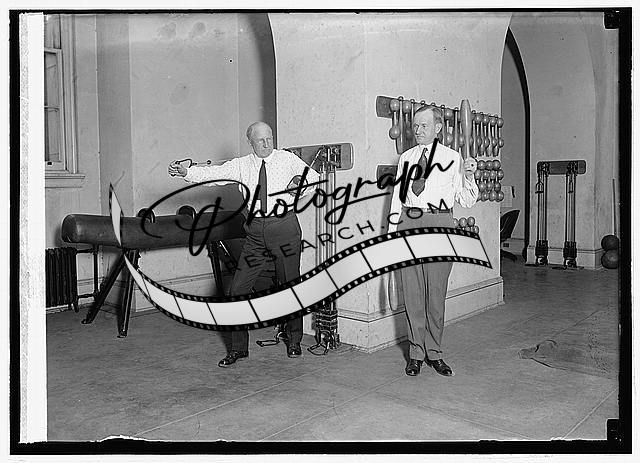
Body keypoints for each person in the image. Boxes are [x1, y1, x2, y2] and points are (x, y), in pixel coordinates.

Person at [168, 121, 319, 367]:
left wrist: (296, 191)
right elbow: (213, 175)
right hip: (255, 232)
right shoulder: (241, 165)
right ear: (250, 142)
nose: (267, 144)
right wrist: (187, 172)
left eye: (269, 138)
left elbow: (313, 178)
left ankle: (294, 341)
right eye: (260, 140)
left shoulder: (287, 159)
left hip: (284, 228)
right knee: (236, 291)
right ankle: (238, 349)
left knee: (289, 285)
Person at [387, 106, 478, 377]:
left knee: (435, 294)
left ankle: (435, 353)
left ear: (438, 128)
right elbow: (397, 199)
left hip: (440, 224)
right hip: (409, 223)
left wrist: (470, 175)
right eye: (415, 126)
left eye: (424, 125)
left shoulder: (453, 158)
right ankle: (416, 353)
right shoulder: (406, 158)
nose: (417, 130)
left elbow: (467, 200)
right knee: (412, 294)